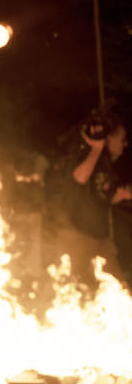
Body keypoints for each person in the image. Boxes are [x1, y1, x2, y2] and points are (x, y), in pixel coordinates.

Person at [62, 110, 132, 283]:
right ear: (109, 138)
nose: (125, 143)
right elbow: (80, 177)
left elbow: (102, 199)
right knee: (76, 288)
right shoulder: (88, 154)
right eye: (122, 139)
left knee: (118, 284)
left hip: (100, 238)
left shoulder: (108, 165)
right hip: (79, 236)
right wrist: (96, 149)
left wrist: (121, 196)